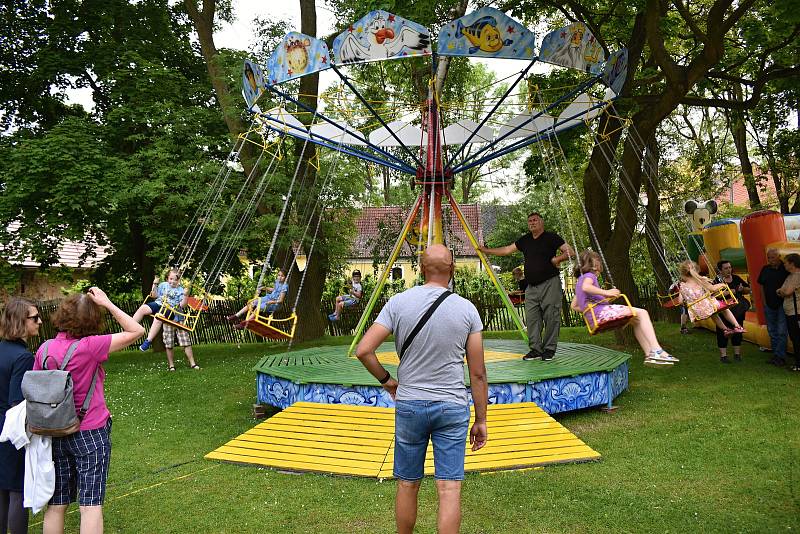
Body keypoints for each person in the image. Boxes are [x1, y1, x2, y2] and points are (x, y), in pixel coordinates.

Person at [355, 244, 488, 534]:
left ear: (421, 268)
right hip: (452, 406)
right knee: (449, 488)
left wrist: (387, 381)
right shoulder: (467, 309)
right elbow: (477, 373)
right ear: (452, 270)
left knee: (407, 483)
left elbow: (364, 350)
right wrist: (481, 420)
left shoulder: (398, 303)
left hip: (411, 403)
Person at [35, 288, 143, 534]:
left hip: (54, 432)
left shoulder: (44, 349)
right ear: (93, 318)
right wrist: (108, 303)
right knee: (90, 503)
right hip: (90, 432)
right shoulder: (92, 346)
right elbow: (137, 331)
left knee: (57, 502)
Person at [479, 212, 573, 361]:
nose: (532, 223)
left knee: (551, 316)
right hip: (531, 286)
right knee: (532, 318)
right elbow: (506, 250)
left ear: (541, 222)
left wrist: (557, 259)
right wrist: (486, 251)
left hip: (550, 282)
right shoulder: (525, 240)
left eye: (535, 220)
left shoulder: (552, 237)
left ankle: (549, 350)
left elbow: (570, 251)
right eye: (530, 221)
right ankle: (535, 349)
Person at [570, 250, 678, 368]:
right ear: (595, 265)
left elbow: (574, 306)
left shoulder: (579, 283)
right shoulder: (589, 277)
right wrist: (607, 292)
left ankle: (650, 355)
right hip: (601, 314)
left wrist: (596, 305)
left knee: (636, 321)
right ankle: (657, 350)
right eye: (598, 262)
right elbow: (587, 287)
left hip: (594, 317)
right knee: (642, 313)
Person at [0, 298, 40, 534]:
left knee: (2, 490)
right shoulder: (23, 357)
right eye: (35, 318)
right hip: (11, 428)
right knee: (17, 490)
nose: (39, 321)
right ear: (20, 322)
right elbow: (18, 403)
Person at [676, 260, 746, 342]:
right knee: (724, 309)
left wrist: (688, 301)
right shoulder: (700, 281)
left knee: (713, 313)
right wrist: (722, 285)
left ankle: (726, 329)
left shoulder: (682, 286)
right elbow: (712, 288)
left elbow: (680, 301)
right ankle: (737, 326)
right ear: (696, 271)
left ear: (683, 274)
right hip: (708, 306)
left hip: (697, 312)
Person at [132, 269, 186, 352]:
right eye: (171, 279)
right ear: (167, 278)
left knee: (158, 317)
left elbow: (182, 305)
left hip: (169, 309)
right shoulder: (163, 285)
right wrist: (155, 284)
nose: (173, 281)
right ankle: (131, 326)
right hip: (158, 303)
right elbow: (154, 295)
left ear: (179, 280)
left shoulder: (181, 290)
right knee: (142, 308)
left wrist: (185, 295)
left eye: (176, 279)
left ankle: (148, 341)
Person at [712, 260, 751, 363]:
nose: (729, 270)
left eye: (730, 267)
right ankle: (723, 356)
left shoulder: (736, 278)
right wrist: (732, 291)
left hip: (738, 309)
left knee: (738, 329)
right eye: (726, 268)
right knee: (722, 331)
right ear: (720, 270)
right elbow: (716, 295)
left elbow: (748, 289)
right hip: (724, 310)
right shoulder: (717, 281)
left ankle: (737, 354)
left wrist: (742, 289)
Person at [758, 249, 789, 366]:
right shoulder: (765, 269)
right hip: (769, 304)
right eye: (769, 258)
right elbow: (761, 286)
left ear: (779, 257)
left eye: (773, 258)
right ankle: (776, 355)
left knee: (781, 331)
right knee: (772, 331)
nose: (770, 260)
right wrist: (764, 302)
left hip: (783, 304)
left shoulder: (785, 269)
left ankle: (780, 356)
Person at [776, 253, 800, 372]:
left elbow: (787, 291)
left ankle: (799, 364)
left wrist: (782, 291)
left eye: (785, 262)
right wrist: (782, 291)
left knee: (796, 338)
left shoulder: (796, 276)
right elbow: (781, 290)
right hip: (791, 312)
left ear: (792, 263)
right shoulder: (790, 276)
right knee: (795, 338)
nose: (784, 264)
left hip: (796, 313)